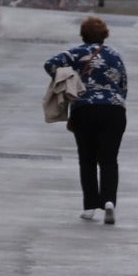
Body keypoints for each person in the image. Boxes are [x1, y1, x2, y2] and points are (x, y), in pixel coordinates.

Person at [44, 16, 128, 225]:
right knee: (109, 160)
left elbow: (50, 64)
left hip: (85, 110)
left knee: (87, 159)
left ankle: (90, 206)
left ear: (83, 34)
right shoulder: (114, 55)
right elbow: (123, 85)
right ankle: (109, 202)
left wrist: (69, 79)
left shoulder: (74, 53)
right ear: (105, 35)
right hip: (114, 111)